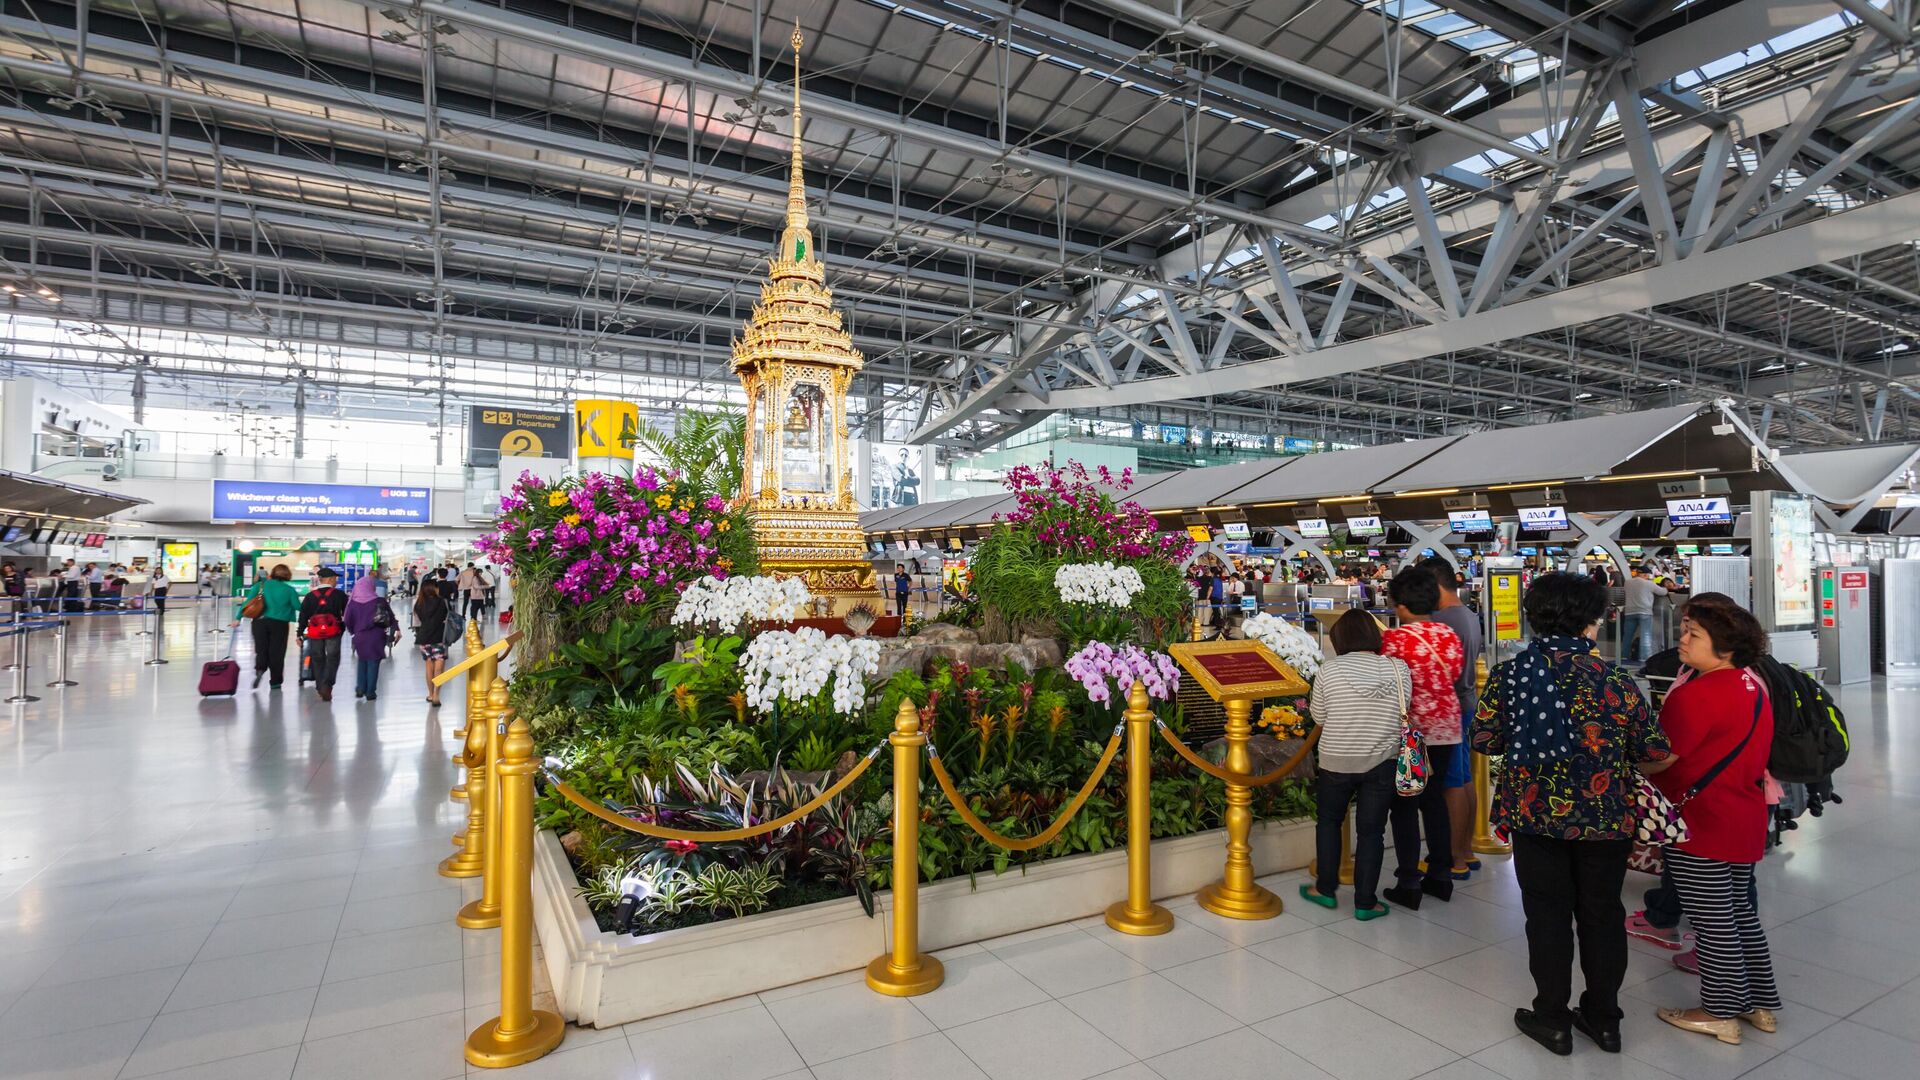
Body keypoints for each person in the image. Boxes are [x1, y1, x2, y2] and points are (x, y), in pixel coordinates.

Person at [1472, 572, 1673, 1057]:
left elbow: (1484, 740)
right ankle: (1604, 1020)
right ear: (1595, 619)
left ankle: (1553, 1019)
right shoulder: (1617, 681)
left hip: (1534, 815)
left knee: (1547, 917)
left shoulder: (1512, 676)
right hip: (1606, 819)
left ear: (1532, 616)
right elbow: (1654, 753)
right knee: (1602, 915)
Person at [1650, 595, 1780, 1044]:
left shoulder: (1696, 694)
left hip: (1699, 823)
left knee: (1712, 921)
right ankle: (1760, 1004)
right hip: (1743, 816)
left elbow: (1663, 759)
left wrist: (1629, 764)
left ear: (1724, 648)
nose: (1682, 641)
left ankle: (1719, 1011)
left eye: (1693, 635)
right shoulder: (1752, 685)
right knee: (1740, 913)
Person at [1300, 609, 1412, 920]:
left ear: (1339, 639)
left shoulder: (1329, 671)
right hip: (1382, 762)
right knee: (1372, 832)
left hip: (1336, 760)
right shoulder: (1398, 668)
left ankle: (1325, 889)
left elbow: (1319, 717)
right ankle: (1365, 902)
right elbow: (1406, 709)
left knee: (1329, 823)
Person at [1380, 567, 1465, 910]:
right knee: (1435, 802)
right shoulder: (1449, 635)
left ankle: (1409, 882)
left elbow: (1386, 685)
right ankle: (1441, 876)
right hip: (1448, 728)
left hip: (1412, 734)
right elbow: (1455, 674)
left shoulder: (1393, 641)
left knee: (1404, 806)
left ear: (1399, 605)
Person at [1428, 562, 1483, 879]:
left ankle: (1454, 858)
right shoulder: (1468, 615)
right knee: (1463, 778)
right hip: (1466, 703)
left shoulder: (1443, 620)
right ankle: (1467, 850)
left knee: (1451, 781)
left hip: (1450, 707)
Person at [234, 564, 299, 690]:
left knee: (261, 648)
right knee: (277, 652)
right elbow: (298, 606)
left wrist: (237, 618)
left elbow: (247, 603)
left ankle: (260, 668)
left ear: (273, 573)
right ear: (287, 575)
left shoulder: (260, 586)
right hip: (280, 624)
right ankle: (275, 682)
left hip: (259, 622)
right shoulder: (289, 590)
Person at [298, 568, 350, 702]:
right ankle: (327, 685)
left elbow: (303, 616)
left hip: (315, 632)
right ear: (330, 579)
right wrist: (345, 627)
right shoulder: (339, 594)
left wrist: (299, 633)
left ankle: (320, 685)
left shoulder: (310, 596)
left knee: (318, 658)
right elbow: (347, 613)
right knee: (333, 658)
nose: (336, 581)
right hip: (334, 631)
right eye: (335, 578)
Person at [343, 574, 395, 701]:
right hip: (377, 635)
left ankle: (360, 687)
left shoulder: (353, 603)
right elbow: (391, 617)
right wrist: (395, 630)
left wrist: (353, 632)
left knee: (362, 661)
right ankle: (370, 691)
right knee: (373, 663)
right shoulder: (380, 601)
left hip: (360, 636)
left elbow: (347, 620)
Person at [1623, 565, 1681, 663]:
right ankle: (1644, 658)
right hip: (1645, 612)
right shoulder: (1649, 584)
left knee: (1627, 636)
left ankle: (1624, 657)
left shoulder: (1627, 583)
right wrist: (1666, 588)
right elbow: (1662, 592)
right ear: (1645, 574)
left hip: (1629, 612)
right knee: (1645, 636)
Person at [415, 579, 450, 707]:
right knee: (439, 669)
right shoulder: (442, 602)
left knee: (429, 666)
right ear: (434, 589)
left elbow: (420, 620)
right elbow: (447, 617)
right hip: (439, 638)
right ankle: (436, 694)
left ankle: (430, 694)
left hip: (424, 638)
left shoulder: (419, 604)